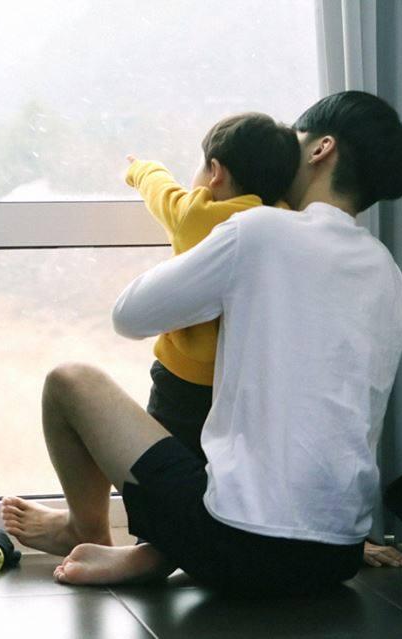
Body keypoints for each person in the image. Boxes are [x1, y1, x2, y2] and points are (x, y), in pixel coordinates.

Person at [1, 90, 402, 595]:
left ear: (320, 148)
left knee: (69, 381)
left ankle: (84, 528)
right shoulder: (388, 274)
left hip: (236, 544)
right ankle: (154, 553)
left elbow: (129, 316)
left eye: (294, 138)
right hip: (337, 554)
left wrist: (204, 239)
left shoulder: (260, 232)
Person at [125, 111, 299, 460]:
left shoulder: (197, 214)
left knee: (164, 456)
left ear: (215, 172)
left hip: (182, 379)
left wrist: (140, 169)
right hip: (246, 381)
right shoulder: (286, 221)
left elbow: (161, 192)